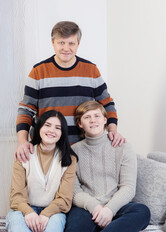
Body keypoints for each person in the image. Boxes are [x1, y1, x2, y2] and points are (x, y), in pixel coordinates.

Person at [15, 20, 125, 163]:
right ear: (53, 42)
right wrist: (22, 141)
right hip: (46, 149)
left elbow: (107, 104)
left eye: (71, 43)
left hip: (84, 149)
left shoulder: (91, 70)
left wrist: (112, 130)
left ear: (78, 44)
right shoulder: (38, 72)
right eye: (61, 43)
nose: (66, 48)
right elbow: (26, 110)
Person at [62, 101, 150, 232]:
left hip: (117, 206)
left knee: (142, 212)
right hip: (88, 207)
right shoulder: (73, 152)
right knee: (74, 231)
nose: (93, 120)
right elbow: (74, 191)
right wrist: (96, 208)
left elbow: (128, 187)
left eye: (97, 116)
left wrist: (109, 210)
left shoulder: (124, 147)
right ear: (80, 124)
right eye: (87, 117)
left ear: (105, 120)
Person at [6, 110, 77, 232]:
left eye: (57, 128)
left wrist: (45, 214)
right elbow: (16, 196)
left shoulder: (69, 159)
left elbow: (65, 199)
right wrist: (29, 213)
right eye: (47, 125)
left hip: (54, 212)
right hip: (22, 210)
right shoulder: (24, 154)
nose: (51, 130)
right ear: (39, 127)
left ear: (62, 133)